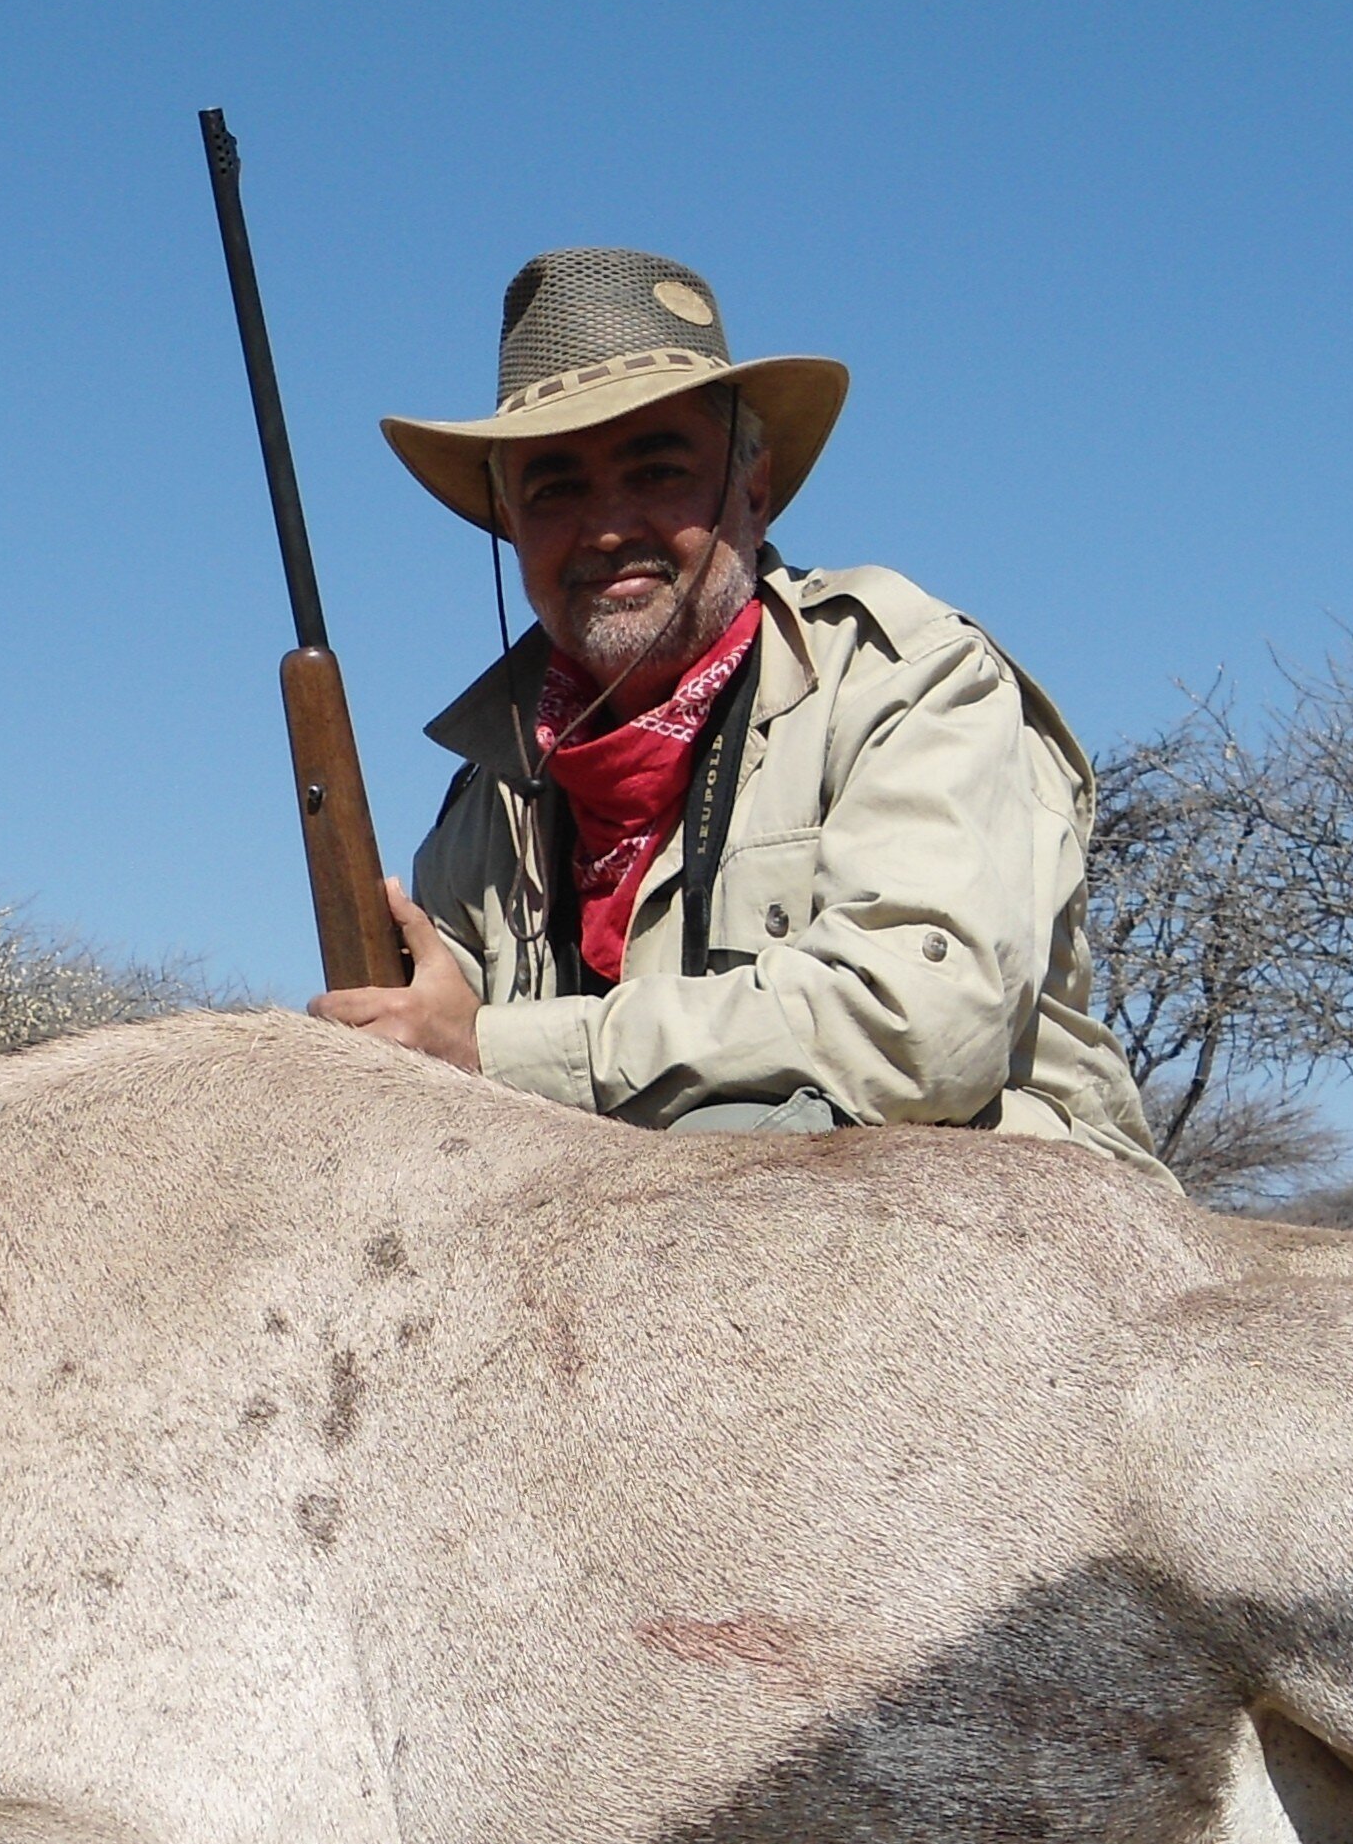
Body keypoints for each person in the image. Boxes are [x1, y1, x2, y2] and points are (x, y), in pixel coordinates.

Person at [309, 246, 1166, 1170]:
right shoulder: (489, 800)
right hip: (641, 1245)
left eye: (658, 470)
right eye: (555, 488)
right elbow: (427, 1056)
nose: (606, 527)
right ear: (510, 524)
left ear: (751, 492)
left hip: (997, 1242)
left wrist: (496, 1049)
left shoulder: (907, 676)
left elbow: (922, 1027)